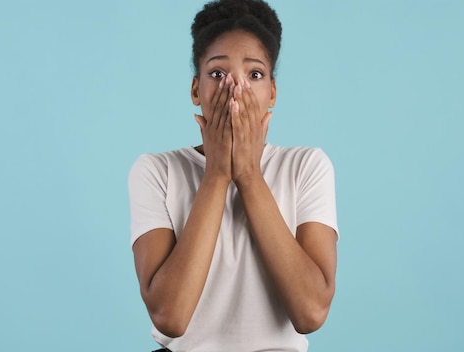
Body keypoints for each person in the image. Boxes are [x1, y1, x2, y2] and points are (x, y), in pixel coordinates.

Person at [128, 0, 339, 351]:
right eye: (217, 74)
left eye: (254, 75)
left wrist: (248, 175)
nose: (234, 90)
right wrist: (216, 175)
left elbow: (311, 313)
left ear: (272, 92)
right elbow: (171, 317)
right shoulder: (156, 171)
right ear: (196, 90)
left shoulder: (307, 166)